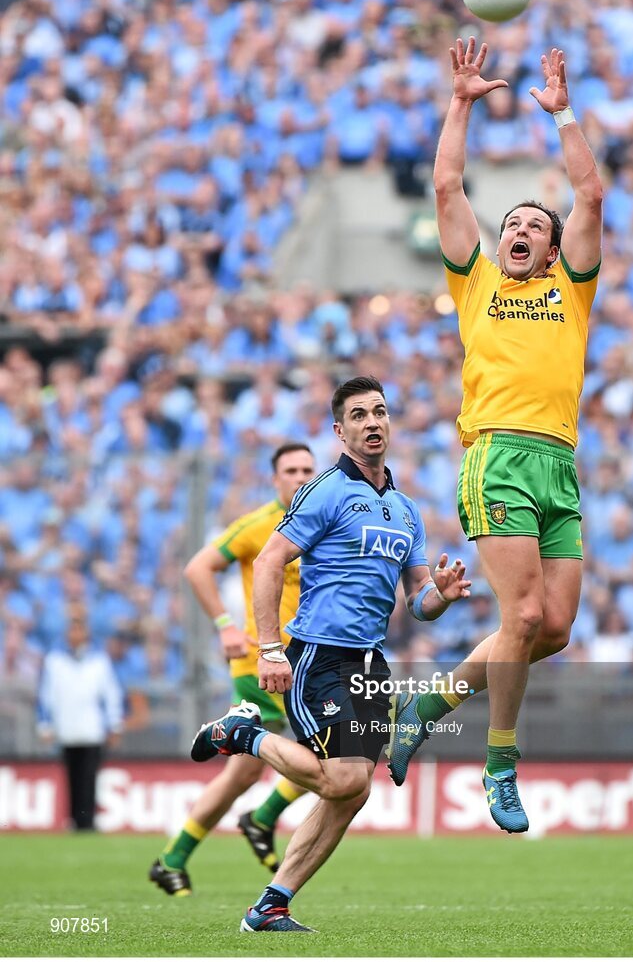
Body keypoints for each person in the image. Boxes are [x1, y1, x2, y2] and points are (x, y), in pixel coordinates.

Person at [387, 40, 604, 834]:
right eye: (508, 221)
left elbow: (588, 191)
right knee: (517, 617)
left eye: (530, 225)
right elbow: (446, 183)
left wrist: (563, 114)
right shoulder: (475, 279)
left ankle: (431, 700)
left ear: (550, 249)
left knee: (553, 627)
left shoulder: (569, 290)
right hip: (498, 457)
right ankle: (500, 766)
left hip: (558, 465)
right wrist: (462, 102)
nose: (516, 228)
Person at [189, 376, 471, 932]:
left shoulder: (406, 509)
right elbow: (270, 562)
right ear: (340, 431)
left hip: (372, 664)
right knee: (343, 781)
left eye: (380, 412)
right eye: (359, 415)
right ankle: (241, 734)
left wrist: (442, 593)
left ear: (390, 423)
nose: (372, 422)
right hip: (320, 656)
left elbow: (417, 603)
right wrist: (270, 649)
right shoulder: (325, 490)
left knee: (352, 791)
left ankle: (270, 906)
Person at [149, 443, 316, 896]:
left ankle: (174, 858)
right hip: (261, 660)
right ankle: (261, 818)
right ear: (274, 479)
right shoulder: (259, 525)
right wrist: (224, 625)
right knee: (341, 749)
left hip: (304, 660)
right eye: (290, 470)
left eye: (307, 469)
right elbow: (198, 567)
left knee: (244, 773)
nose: (300, 477)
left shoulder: (322, 519)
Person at [37, 612, 124, 831]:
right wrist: (45, 725)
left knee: (89, 777)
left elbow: (110, 694)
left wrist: (114, 724)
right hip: (66, 729)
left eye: (80, 629)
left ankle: (88, 820)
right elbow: (46, 696)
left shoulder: (99, 661)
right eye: (72, 629)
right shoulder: (54, 661)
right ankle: (75, 819)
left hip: (91, 729)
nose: (76, 634)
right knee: (71, 777)